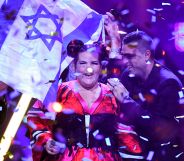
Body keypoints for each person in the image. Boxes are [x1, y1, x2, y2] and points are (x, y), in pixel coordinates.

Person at [27, 40, 143, 161]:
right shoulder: (59, 91)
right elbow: (35, 116)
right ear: (74, 66)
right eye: (82, 63)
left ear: (101, 66)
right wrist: (46, 139)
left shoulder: (113, 95)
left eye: (94, 63)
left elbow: (126, 135)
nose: (89, 69)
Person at [105, 13, 184, 161]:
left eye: (130, 56)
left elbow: (161, 131)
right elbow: (111, 82)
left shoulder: (168, 84)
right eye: (124, 56)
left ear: (147, 55)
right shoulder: (130, 74)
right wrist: (115, 42)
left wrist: (126, 101)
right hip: (134, 153)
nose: (125, 61)